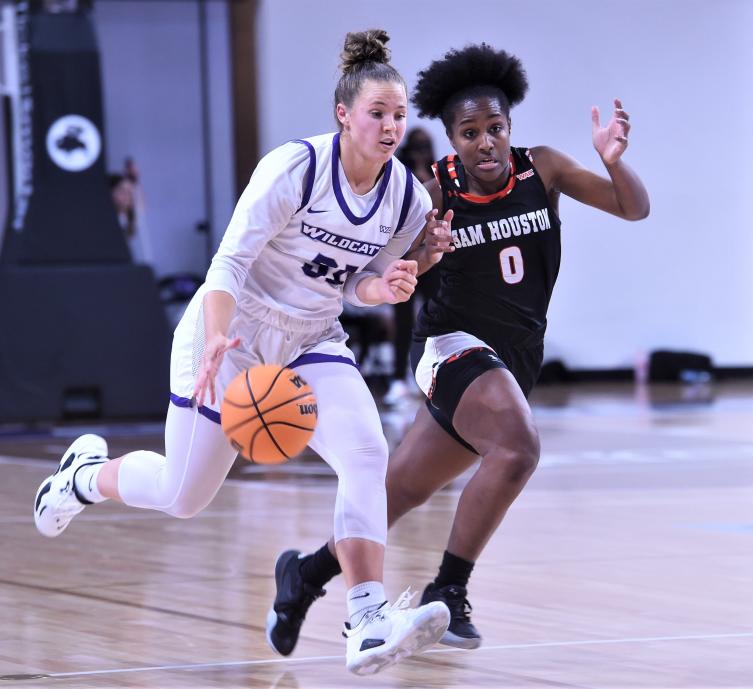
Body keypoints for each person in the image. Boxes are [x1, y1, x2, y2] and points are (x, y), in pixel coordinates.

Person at [32, 29, 455, 676]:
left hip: (310, 337)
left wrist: (393, 282)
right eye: (378, 113)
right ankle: (82, 478)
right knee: (183, 494)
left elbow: (357, 284)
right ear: (343, 114)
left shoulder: (407, 199)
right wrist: (219, 340)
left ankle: (366, 617)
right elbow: (229, 263)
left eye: (399, 114)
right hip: (230, 331)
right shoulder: (296, 167)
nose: (391, 125)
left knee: (368, 451)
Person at [269, 43, 649, 652]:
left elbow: (634, 208)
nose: (486, 143)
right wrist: (425, 253)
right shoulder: (434, 192)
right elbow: (391, 277)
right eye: (470, 133)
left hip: (513, 361)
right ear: (452, 139)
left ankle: (305, 575)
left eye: (495, 128)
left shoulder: (543, 169)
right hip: (450, 348)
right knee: (519, 450)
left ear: (509, 127)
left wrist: (612, 162)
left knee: (399, 493)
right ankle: (449, 589)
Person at [384, 127, 439, 405]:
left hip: (429, 259)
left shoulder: (437, 174)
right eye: (416, 147)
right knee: (402, 322)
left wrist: (425, 170)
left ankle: (433, 376)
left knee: (432, 318)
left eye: (425, 146)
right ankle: (397, 378)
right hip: (400, 257)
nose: (421, 151)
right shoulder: (396, 173)